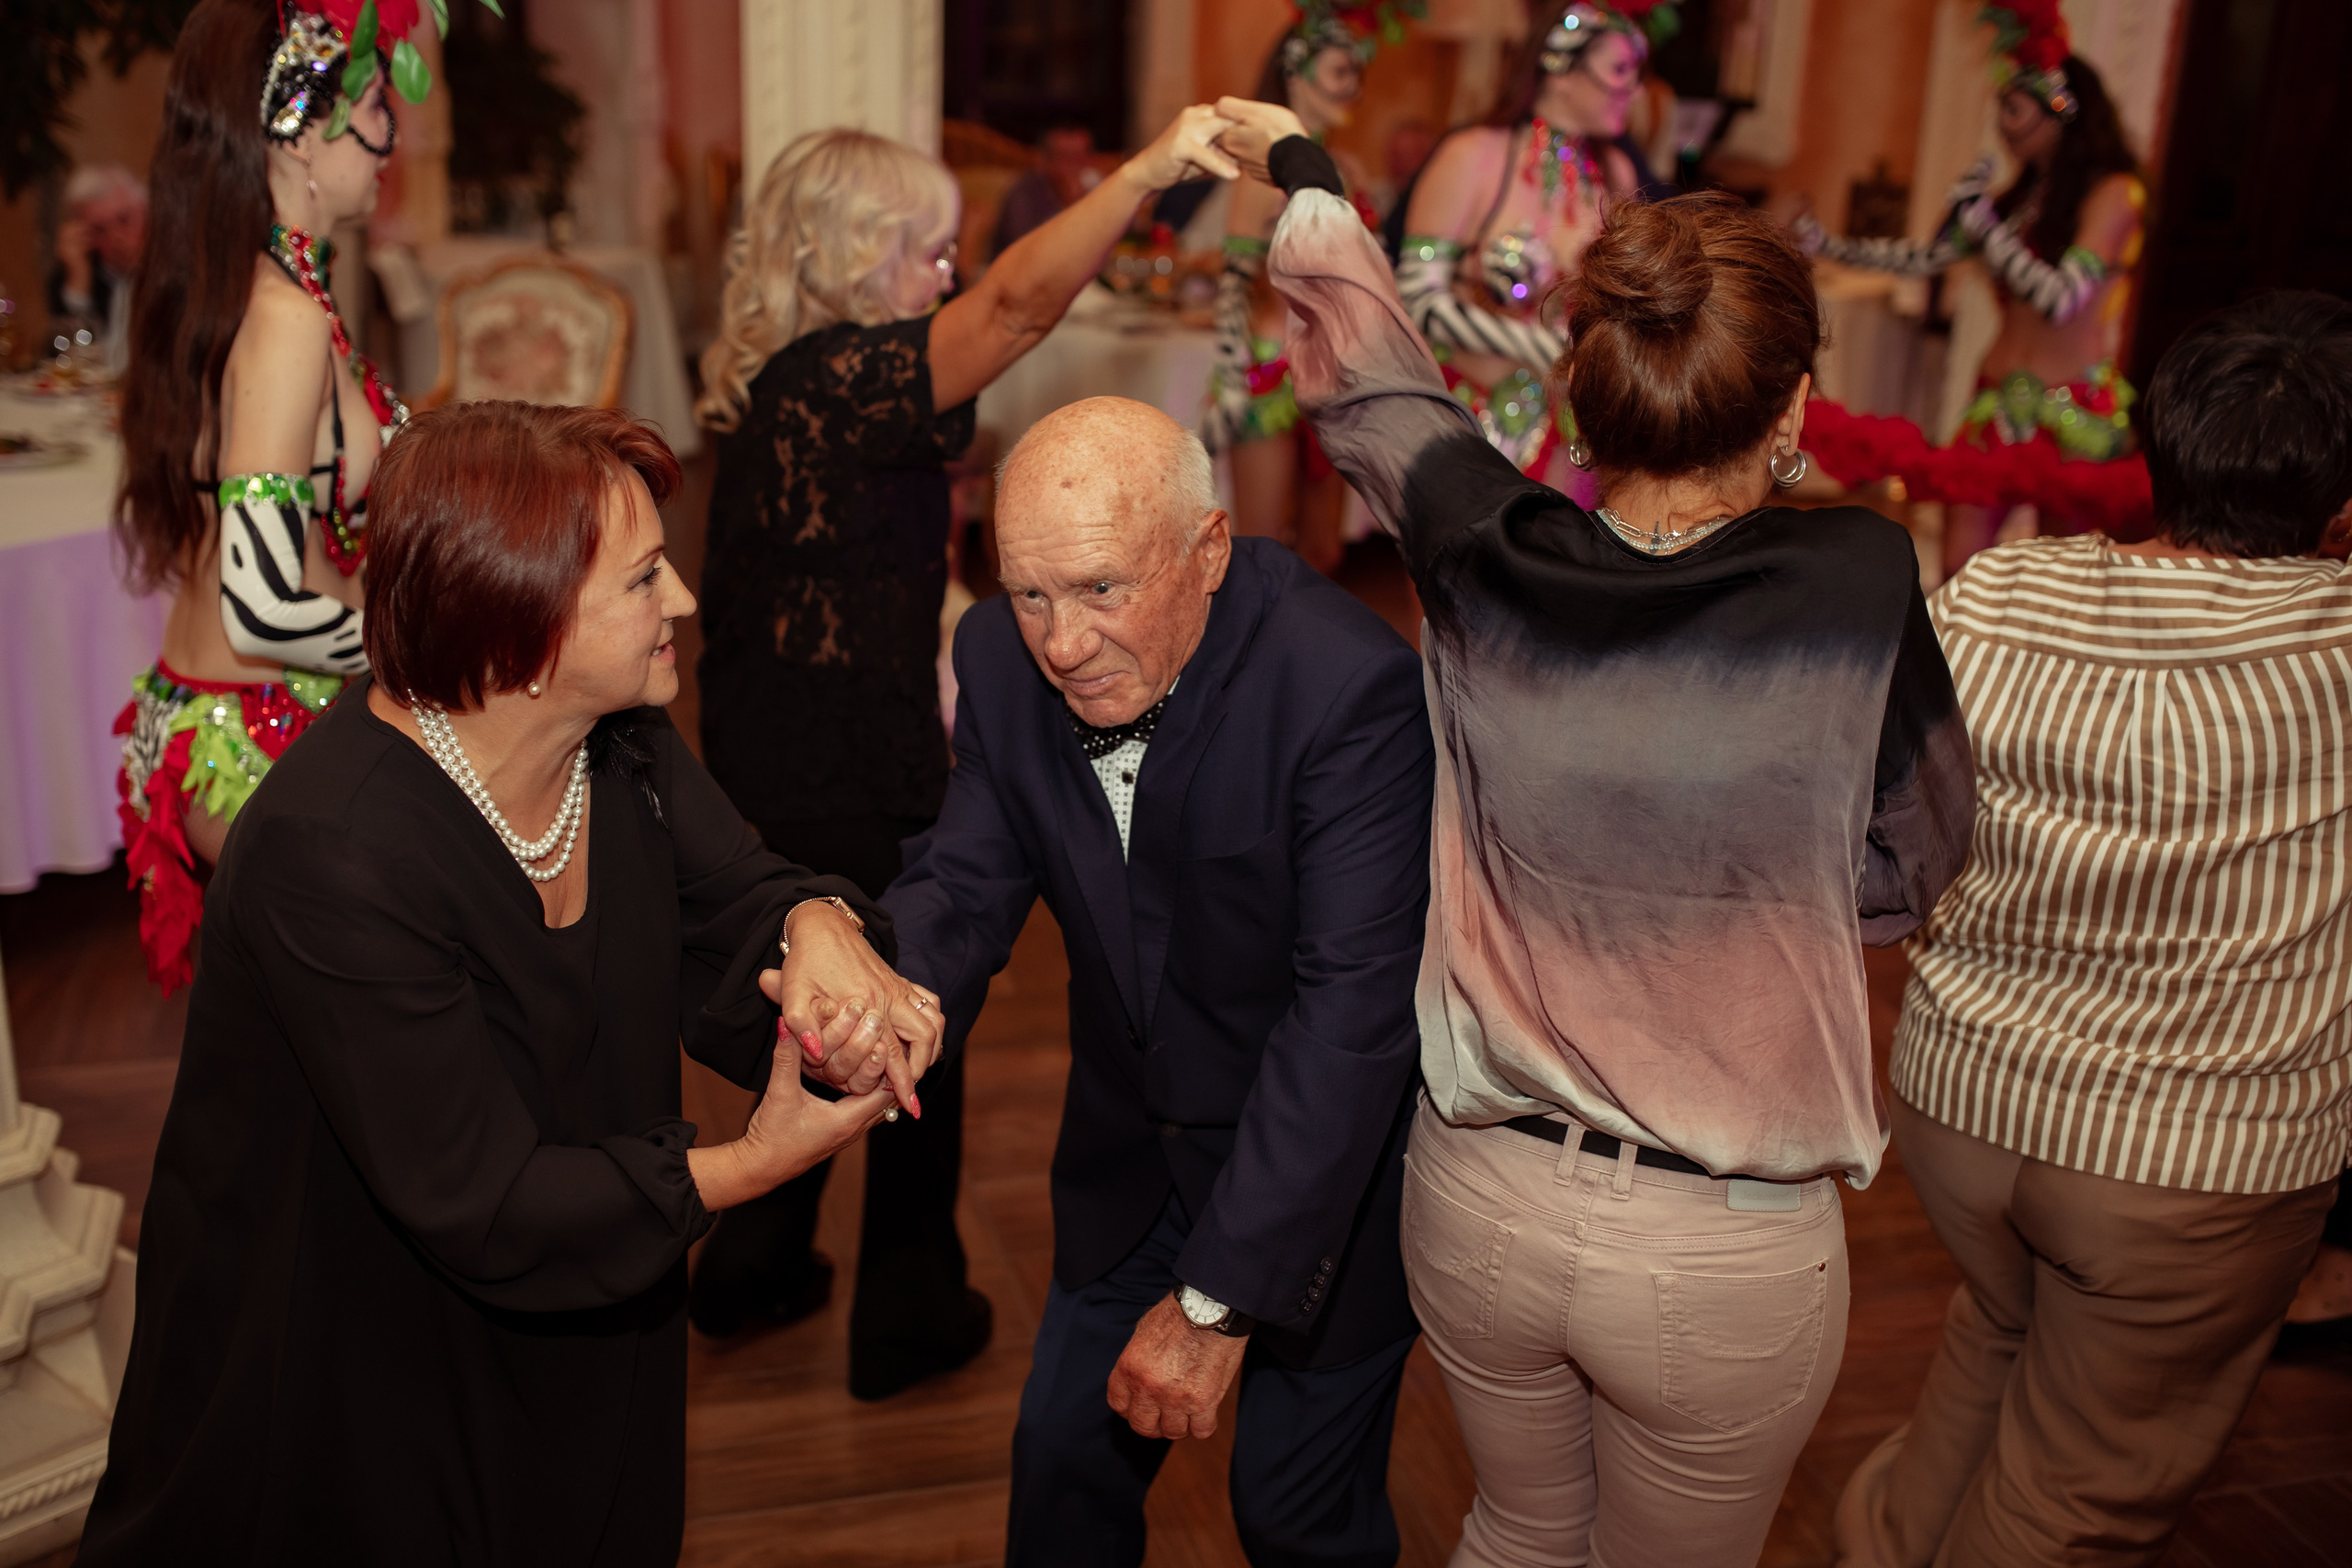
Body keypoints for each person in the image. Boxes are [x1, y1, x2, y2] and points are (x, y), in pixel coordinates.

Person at [1215, 100, 1976, 1565]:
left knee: (1512, 1533)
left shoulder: (1483, 551)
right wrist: (1758, 889)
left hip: (1481, 1200)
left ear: (1578, 395)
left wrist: (1309, 176)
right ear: (1796, 406)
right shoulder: (1860, 574)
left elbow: (1374, 382)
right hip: (1720, 1246)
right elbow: (1922, 852)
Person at [78, 400, 943, 1563]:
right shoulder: (329, 852)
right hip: (354, 1356)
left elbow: (733, 902)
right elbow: (483, 1198)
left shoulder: (618, 740)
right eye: (642, 582)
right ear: (522, 637)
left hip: (584, 1299)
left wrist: (822, 934)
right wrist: (758, 1160)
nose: (681, 599)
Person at [804, 394, 1431, 1565]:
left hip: (1322, 1184)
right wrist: (894, 999)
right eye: (1029, 593)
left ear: (1206, 553)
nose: (1059, 643)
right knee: (1058, 1475)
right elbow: (969, 872)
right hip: (1130, 1165)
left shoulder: (1344, 688)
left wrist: (1214, 1303)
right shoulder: (997, 657)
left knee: (1296, 1517)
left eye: (1101, 589)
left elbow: (1350, 1023)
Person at [689, 107, 1240, 1398]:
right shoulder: (829, 380)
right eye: (922, 249)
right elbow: (1014, 309)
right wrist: (1151, 170)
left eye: (947, 250)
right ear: (842, 255)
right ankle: (905, 1311)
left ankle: (754, 1267)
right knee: (916, 1011)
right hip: (837, 762)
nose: (943, 272)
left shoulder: (807, 387)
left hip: (783, 748)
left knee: (823, 1015)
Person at [1833, 291, 2352, 1568]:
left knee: (1999, 1330)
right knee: (2081, 1488)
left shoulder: (2002, 588)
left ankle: (1886, 1542)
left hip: (1963, 1112)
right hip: (2190, 1160)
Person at [110, 0, 484, 991]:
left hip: (255, 707)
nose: (389, 138)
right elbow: (263, 598)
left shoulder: (268, 286)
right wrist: (439, 666)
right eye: (373, 106)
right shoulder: (282, 320)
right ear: (301, 131)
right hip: (257, 727)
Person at [1795, 3, 2143, 575]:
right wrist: (1823, 243)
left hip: (2073, 410)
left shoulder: (2115, 194)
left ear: (2061, 109)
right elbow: (1927, 258)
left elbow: (2062, 299)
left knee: (2063, 575)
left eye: (2013, 109)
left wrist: (1986, 227)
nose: (2003, 125)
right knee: (1959, 567)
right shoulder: (2018, 200)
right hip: (1996, 402)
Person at [1392, 1, 1651, 489]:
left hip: (1577, 441)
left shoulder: (1618, 174)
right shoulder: (1470, 156)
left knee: (1563, 561)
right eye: (1619, 70)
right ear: (1560, 69)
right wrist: (1548, 349)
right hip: (1468, 426)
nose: (1633, 89)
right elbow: (1416, 298)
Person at [1201, 1, 1389, 569]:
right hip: (1268, 369)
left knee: (1321, 550)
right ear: (1294, 72)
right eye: (1338, 72)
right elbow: (1233, 282)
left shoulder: (1347, 170)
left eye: (1356, 74)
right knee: (1260, 548)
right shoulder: (1262, 171)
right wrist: (1232, 372)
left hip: (1334, 373)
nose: (1351, 88)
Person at [46, 162, 147, 372]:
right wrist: (78, 285)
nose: (115, 236)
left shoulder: (176, 272)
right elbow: (62, 360)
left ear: (146, 213)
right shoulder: (71, 274)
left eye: (124, 219)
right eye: (99, 229)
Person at [993, 124, 1101, 254]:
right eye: (1066, 158)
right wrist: (1071, 202)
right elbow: (1026, 251)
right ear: (1044, 160)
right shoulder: (1024, 193)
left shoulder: (1096, 187)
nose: (1075, 166)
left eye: (1081, 157)